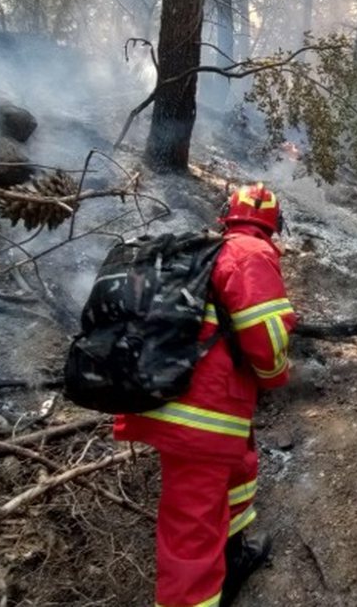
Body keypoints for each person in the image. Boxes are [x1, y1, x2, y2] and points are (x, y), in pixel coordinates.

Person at [114, 184, 297, 607]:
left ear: (225, 217)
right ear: (274, 226)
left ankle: (232, 558)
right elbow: (267, 339)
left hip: (177, 397)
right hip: (203, 413)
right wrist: (275, 377)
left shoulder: (204, 252)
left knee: (237, 470)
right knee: (191, 528)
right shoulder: (252, 254)